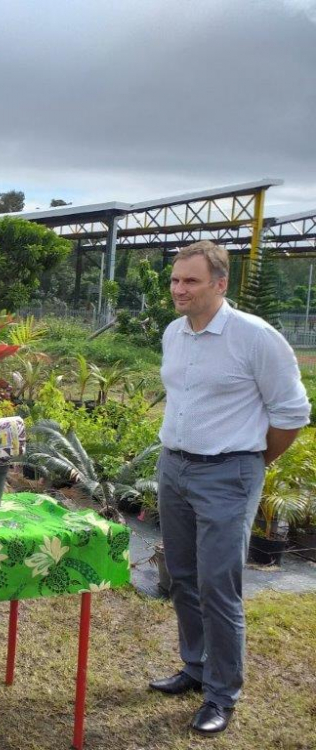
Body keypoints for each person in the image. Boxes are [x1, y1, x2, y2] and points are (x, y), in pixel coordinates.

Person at [150, 241, 310, 734]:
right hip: (173, 468)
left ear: (220, 284)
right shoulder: (174, 334)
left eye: (191, 281)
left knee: (219, 586)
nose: (179, 289)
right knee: (181, 575)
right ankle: (195, 668)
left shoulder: (255, 337)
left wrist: (252, 463)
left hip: (229, 472)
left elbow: (292, 413)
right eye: (176, 280)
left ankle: (222, 694)